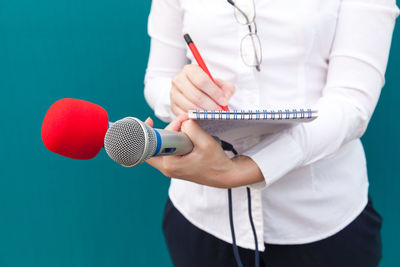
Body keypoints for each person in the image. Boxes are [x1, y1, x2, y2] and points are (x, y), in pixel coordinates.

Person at [144, 0, 399, 266]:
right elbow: (157, 79)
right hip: (202, 216)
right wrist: (178, 96)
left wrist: (251, 168)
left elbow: (351, 103)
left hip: (320, 220)